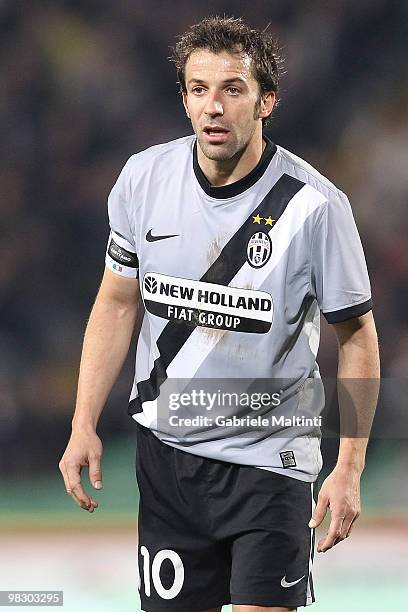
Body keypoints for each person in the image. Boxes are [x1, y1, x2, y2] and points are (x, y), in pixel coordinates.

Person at [59, 16, 380, 612]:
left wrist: (350, 465)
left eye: (233, 89)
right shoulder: (142, 180)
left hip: (271, 459)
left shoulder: (315, 207)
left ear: (266, 102)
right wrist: (83, 422)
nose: (214, 106)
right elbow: (117, 300)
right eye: (199, 89)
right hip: (168, 458)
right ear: (183, 100)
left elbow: (357, 336)